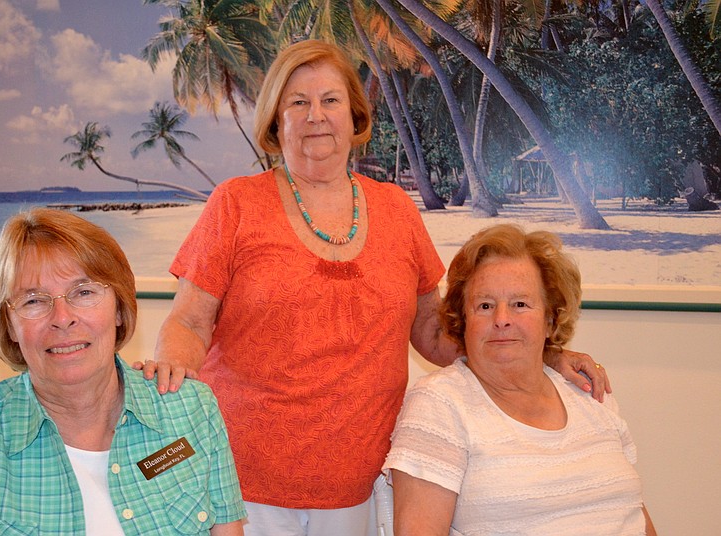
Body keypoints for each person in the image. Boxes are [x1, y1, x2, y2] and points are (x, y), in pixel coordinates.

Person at [140, 40, 609, 536]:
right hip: (240, 482)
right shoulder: (235, 203)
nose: (315, 115)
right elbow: (190, 321)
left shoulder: (397, 211)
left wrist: (547, 357)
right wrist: (172, 375)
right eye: (297, 102)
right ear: (276, 121)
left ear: (355, 115)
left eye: (330, 100)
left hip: (362, 485)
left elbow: (435, 331)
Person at [0, 208, 245, 535]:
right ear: (9, 325)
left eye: (83, 292)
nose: (62, 317)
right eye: (34, 301)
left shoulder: (191, 409)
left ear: (118, 307)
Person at [384, 223, 656, 535]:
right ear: (463, 320)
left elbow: (633, 513)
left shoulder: (587, 392)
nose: (502, 320)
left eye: (520, 304)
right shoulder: (439, 404)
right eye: (485, 306)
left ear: (550, 318)